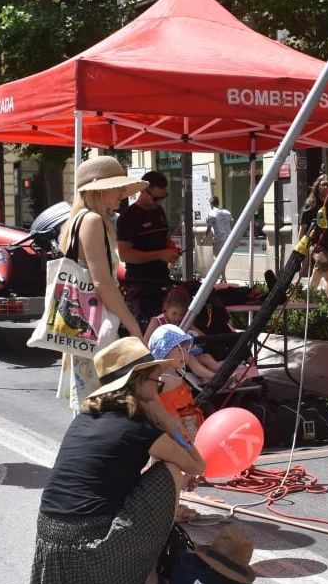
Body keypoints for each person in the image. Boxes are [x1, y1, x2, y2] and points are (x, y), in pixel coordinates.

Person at [27, 337, 206, 584]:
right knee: (171, 469)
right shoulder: (138, 428)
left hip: (54, 544)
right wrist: (163, 414)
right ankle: (147, 583)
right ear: (137, 382)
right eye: (155, 381)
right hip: (91, 552)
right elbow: (196, 464)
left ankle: (148, 566)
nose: (159, 386)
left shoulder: (85, 417)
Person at [57, 156, 148, 411]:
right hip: (95, 324)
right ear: (99, 188)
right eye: (117, 186)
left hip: (79, 323)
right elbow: (103, 282)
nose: (122, 192)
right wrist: (134, 328)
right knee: (100, 403)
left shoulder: (78, 219)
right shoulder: (93, 221)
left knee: (89, 403)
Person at [117, 170, 179, 330]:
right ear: (143, 191)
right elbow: (125, 254)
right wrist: (159, 254)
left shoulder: (158, 211)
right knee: (150, 329)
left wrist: (172, 251)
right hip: (141, 284)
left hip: (162, 279)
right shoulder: (129, 217)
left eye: (163, 198)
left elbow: (165, 238)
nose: (159, 202)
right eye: (156, 198)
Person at [143, 286, 224, 381]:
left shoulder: (184, 322)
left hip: (185, 355)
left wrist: (191, 327)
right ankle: (216, 378)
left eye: (181, 315)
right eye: (174, 313)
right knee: (191, 360)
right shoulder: (157, 321)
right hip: (169, 359)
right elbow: (145, 342)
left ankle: (224, 374)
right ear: (166, 307)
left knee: (206, 357)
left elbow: (202, 337)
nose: (177, 318)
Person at [298, 174, 328, 296]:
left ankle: (309, 295)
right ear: (317, 186)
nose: (326, 187)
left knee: (318, 271)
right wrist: (302, 252)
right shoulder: (311, 204)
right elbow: (303, 229)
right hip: (316, 245)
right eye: (323, 184)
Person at [202, 196, 233, 284]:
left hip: (218, 239)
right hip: (228, 238)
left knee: (216, 258)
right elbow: (232, 225)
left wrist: (203, 239)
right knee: (222, 259)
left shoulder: (211, 214)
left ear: (211, 204)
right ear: (218, 203)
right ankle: (223, 277)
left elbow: (208, 229)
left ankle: (217, 277)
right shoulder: (227, 212)